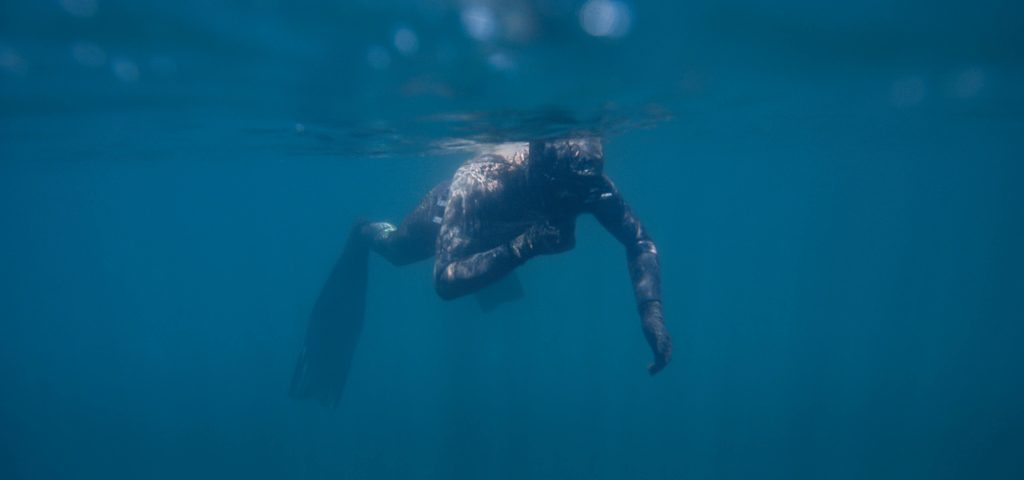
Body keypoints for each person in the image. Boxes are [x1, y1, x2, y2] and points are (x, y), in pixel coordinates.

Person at [290, 137, 672, 408]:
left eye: (583, 190)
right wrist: (525, 246)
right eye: (565, 192)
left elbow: (639, 242)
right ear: (541, 173)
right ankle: (365, 231)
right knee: (398, 251)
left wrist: (650, 311)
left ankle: (500, 267)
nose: (572, 203)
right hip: (458, 215)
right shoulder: (481, 183)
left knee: (498, 268)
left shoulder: (586, 182)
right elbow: (444, 280)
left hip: (512, 229)